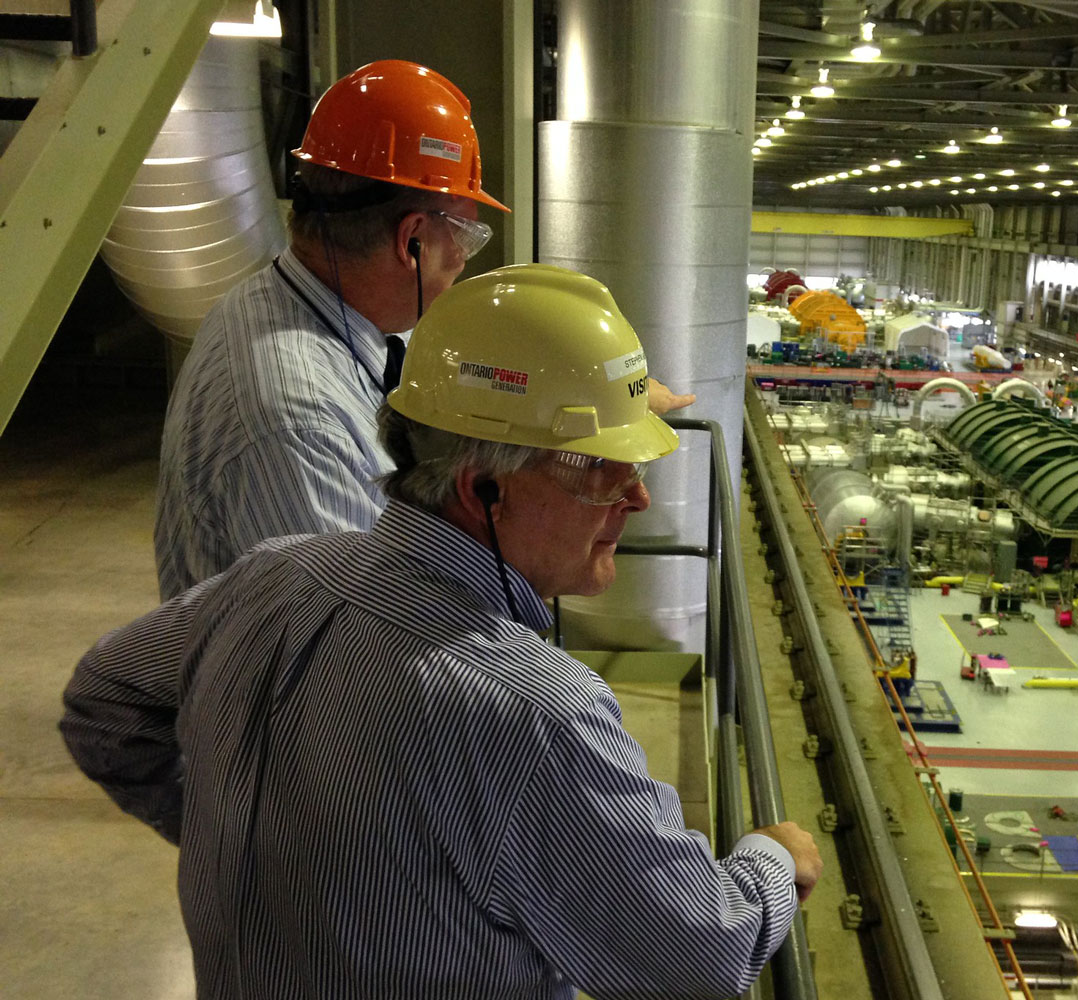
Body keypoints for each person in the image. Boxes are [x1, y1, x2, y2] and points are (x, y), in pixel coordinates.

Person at [62, 264, 819, 999]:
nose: (639, 498)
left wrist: (235, 842)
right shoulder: (537, 713)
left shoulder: (273, 576)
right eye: (602, 470)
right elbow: (697, 954)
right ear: (482, 486)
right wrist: (770, 863)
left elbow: (104, 698)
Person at [154, 59, 693, 600]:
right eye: (465, 234)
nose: (463, 258)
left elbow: (456, 378)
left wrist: (600, 399)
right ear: (411, 239)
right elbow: (372, 631)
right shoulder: (301, 422)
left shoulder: (314, 310)